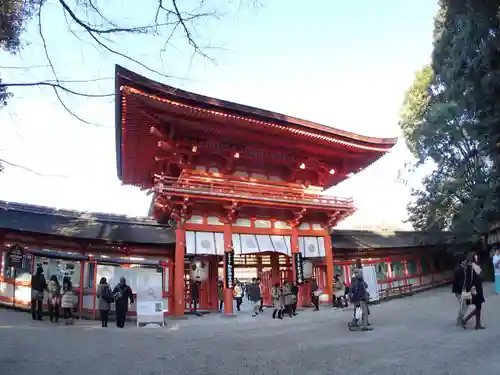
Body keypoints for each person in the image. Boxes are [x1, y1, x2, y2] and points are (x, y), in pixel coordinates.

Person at [460, 252, 485, 330]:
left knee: (479, 306)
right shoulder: (470, 267)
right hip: (474, 289)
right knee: (478, 306)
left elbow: (481, 276)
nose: (477, 257)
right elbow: (468, 281)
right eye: (475, 256)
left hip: (478, 288)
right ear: (473, 257)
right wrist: (471, 288)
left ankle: (477, 324)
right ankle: (465, 320)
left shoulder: (475, 266)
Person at [452, 258, 468, 326]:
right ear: (462, 261)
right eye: (465, 261)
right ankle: (459, 321)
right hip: (459, 291)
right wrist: (460, 290)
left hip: (462, 291)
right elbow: (457, 282)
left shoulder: (463, 269)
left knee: (465, 306)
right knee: (464, 306)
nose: (466, 262)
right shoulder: (459, 270)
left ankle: (460, 319)